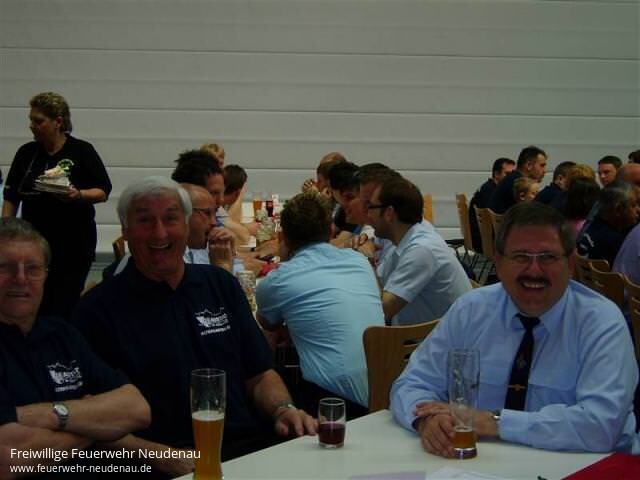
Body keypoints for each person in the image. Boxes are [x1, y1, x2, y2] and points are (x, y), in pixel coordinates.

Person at [73, 177, 316, 479]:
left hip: (248, 452)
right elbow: (88, 419)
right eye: (145, 221)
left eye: (171, 219)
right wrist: (160, 457)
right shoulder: (96, 310)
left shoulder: (220, 285)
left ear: (187, 226)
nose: (160, 232)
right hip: (161, 464)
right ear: (126, 230)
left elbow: (260, 373)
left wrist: (284, 409)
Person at [390, 202, 637, 455]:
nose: (534, 270)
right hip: (482, 462)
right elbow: (411, 383)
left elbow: (601, 425)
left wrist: (495, 422)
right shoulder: (470, 311)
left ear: (570, 263)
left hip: (583, 464)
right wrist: (429, 420)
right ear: (498, 262)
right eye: (521, 257)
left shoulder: (601, 322)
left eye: (548, 257)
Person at [0, 217, 150, 476]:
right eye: (6, 268)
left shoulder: (62, 334)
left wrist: (49, 415)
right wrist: (94, 426)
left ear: (46, 276)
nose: (21, 279)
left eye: (33, 268)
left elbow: (137, 409)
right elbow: (10, 459)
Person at [256, 192, 384, 414]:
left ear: (283, 236)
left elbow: (267, 324)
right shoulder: (359, 261)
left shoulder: (278, 280)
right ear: (330, 231)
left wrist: (285, 261)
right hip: (386, 387)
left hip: (332, 401)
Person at [2, 92, 112, 319]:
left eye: (38, 121)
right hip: (35, 241)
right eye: (31, 120)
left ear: (58, 122)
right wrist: (6, 231)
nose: (32, 126)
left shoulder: (81, 151)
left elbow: (103, 191)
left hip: (73, 243)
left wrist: (78, 195)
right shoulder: (27, 153)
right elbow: (11, 196)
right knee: (36, 298)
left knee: (64, 302)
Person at [367, 176, 471, 325]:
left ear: (389, 213)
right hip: (428, 333)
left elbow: (381, 311)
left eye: (371, 207)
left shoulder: (421, 250)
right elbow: (381, 283)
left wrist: (368, 259)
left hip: (437, 338)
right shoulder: (407, 238)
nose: (368, 215)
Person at [577, 180, 640, 265]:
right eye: (633, 205)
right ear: (618, 209)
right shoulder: (616, 242)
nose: (638, 210)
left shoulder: (592, 226)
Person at [468, 157, 515, 251]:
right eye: (507, 174)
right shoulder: (491, 192)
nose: (511, 178)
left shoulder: (488, 187)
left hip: (482, 238)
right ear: (496, 174)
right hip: (485, 241)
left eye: (513, 174)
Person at [488, 146, 547, 214]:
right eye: (542, 166)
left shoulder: (511, 178)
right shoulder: (519, 183)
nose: (545, 171)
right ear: (529, 165)